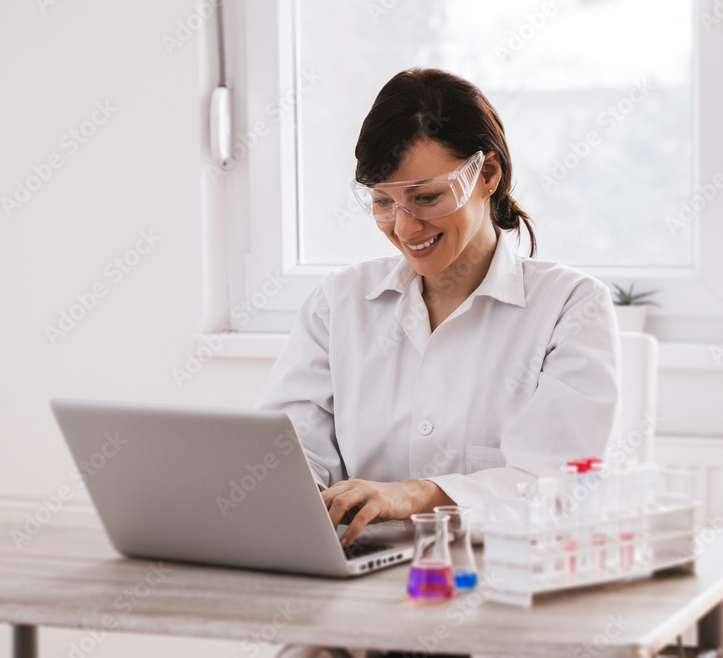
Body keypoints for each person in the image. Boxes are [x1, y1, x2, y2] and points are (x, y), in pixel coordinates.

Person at [260, 67, 621, 658]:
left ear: (488, 175)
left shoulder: (569, 306)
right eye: (382, 203)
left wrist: (417, 494)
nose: (405, 228)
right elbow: (286, 452)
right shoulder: (339, 304)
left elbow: (558, 487)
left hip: (502, 617)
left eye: (426, 197)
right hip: (359, 611)